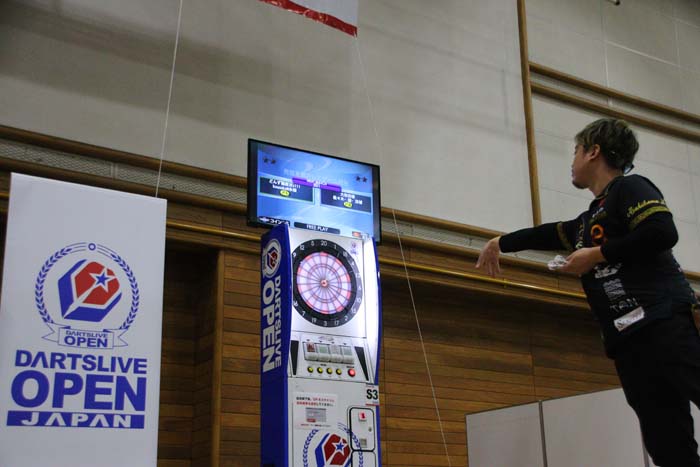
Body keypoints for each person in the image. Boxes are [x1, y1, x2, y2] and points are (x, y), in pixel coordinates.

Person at [476, 118, 700, 467]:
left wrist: (596, 255)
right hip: (628, 341)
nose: (572, 160)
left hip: (663, 322)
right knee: (667, 445)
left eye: (576, 150)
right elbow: (549, 233)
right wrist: (500, 242)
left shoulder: (631, 188)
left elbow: (661, 231)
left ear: (593, 152)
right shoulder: (587, 222)